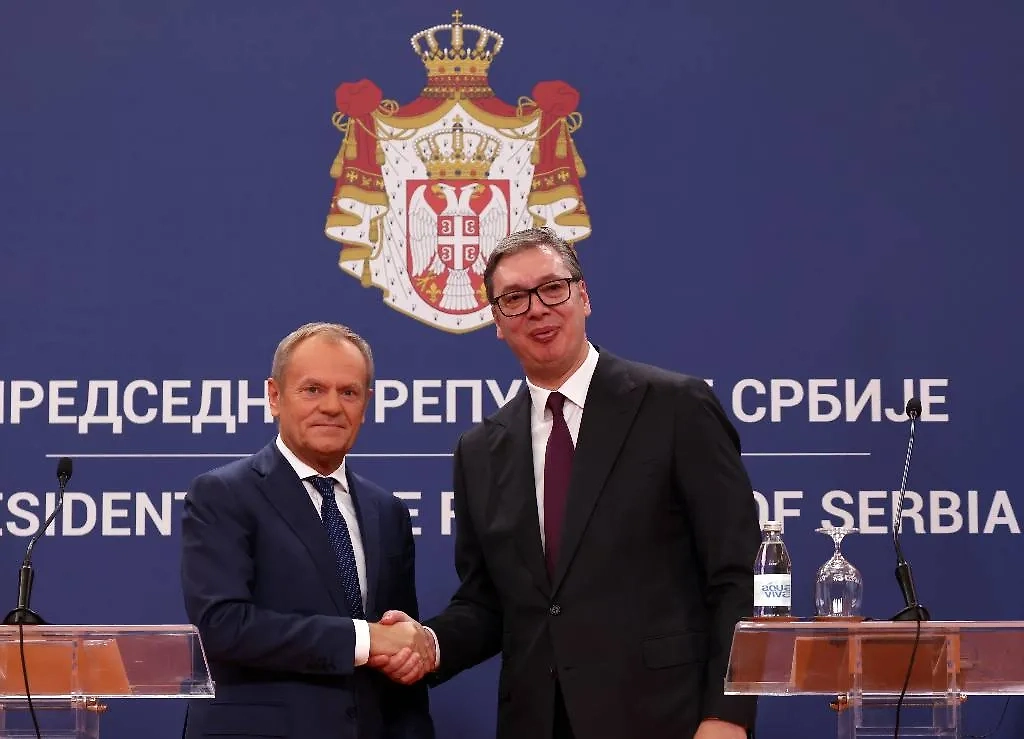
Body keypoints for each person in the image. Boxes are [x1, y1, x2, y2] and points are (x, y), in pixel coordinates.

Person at [373, 229, 761, 739]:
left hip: (669, 718)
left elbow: (739, 576)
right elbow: (488, 603)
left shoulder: (676, 408)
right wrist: (429, 643)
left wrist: (728, 714)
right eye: (514, 298)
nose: (537, 309)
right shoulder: (479, 452)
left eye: (552, 288)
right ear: (496, 322)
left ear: (584, 296)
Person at [181, 322, 435, 739]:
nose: (332, 406)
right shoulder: (223, 495)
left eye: (348, 392)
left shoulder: (387, 512)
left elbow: (398, 655)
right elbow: (224, 626)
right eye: (313, 389)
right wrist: (365, 639)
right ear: (274, 396)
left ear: (366, 405)